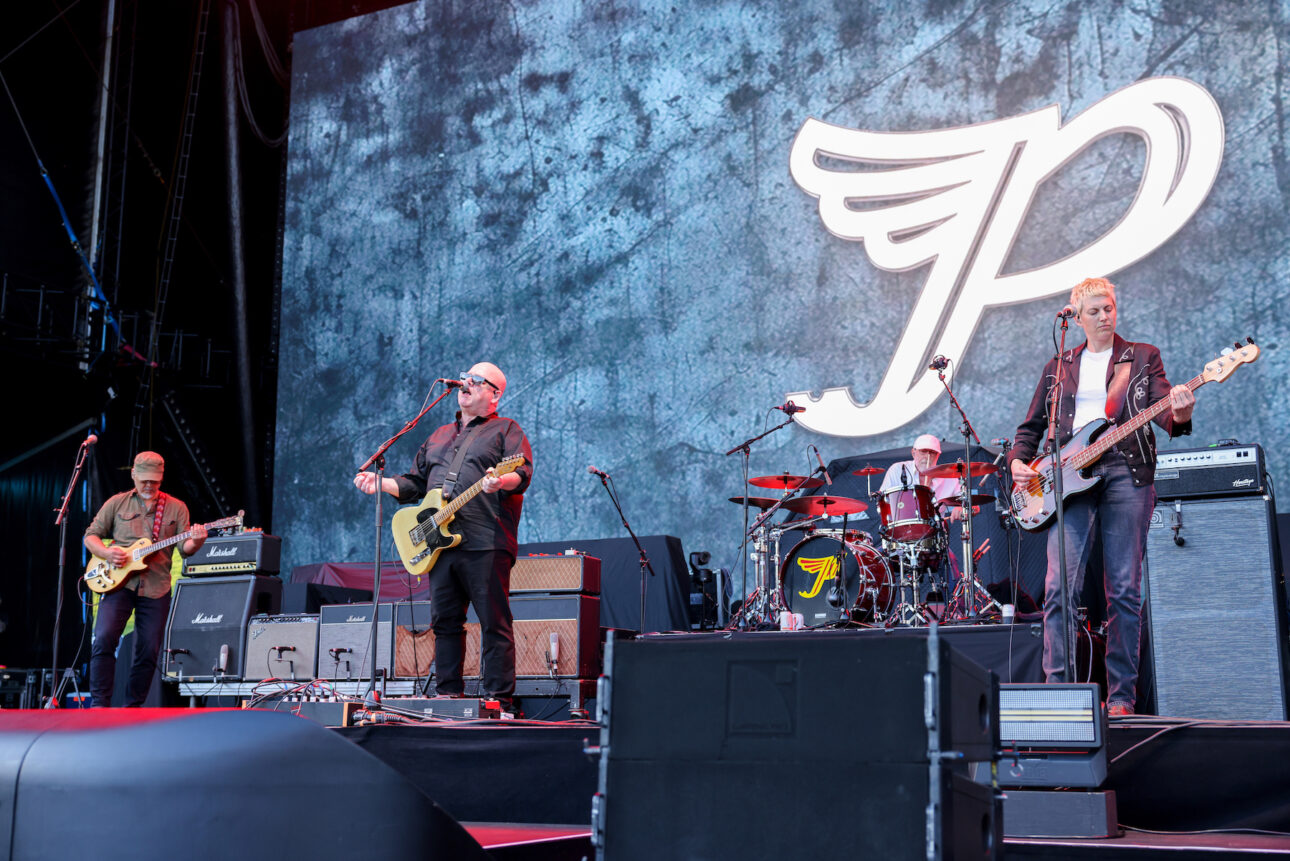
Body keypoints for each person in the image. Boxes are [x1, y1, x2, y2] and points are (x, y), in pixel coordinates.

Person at [1010, 277, 1194, 717]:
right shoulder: (1059, 366)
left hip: (1126, 472)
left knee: (1125, 589)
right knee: (1059, 587)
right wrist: (1019, 460)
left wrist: (1181, 412)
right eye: (1094, 310)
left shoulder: (1143, 357)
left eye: (1109, 307)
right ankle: (1060, 693)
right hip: (1067, 477)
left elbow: (1166, 413)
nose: (1104, 316)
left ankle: (1122, 698)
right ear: (1076, 317)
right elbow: (1032, 425)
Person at [354, 362, 533, 714]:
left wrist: (501, 481)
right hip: (439, 542)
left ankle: (501, 700)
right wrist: (382, 484)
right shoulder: (437, 435)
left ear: (494, 394)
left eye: (476, 380)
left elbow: (523, 471)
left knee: (494, 621)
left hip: (485, 540)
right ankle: (447, 695)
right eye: (464, 376)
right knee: (444, 622)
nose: (465, 383)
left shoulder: (506, 430)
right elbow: (415, 484)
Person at [84, 451, 207, 707]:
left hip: (156, 587)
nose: (149, 486)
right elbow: (91, 536)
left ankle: (132, 707)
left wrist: (197, 540)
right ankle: (99, 705)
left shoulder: (176, 507)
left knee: (149, 650)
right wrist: (107, 552)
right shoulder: (117, 503)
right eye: (144, 480)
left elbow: (184, 550)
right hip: (119, 583)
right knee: (105, 638)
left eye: (155, 481)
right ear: (134, 475)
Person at [879, 434, 972, 523]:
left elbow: (973, 505)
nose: (927, 457)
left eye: (932, 453)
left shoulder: (948, 478)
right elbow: (882, 501)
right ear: (913, 453)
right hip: (902, 533)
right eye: (923, 451)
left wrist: (962, 508)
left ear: (938, 455)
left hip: (936, 535)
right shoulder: (897, 470)